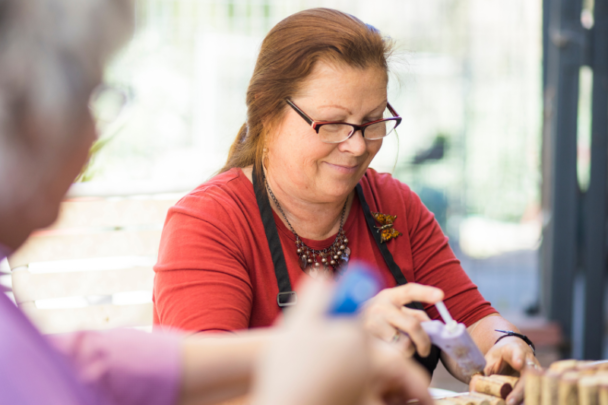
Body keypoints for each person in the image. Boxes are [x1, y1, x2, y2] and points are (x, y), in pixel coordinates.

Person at [0, 1, 433, 404]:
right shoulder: (212, 216)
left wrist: (303, 347)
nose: (94, 135)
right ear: (28, 116)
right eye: (90, 98)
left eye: (372, 122)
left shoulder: (391, 198)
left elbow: (92, 360)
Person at [153, 7, 540, 405]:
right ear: (266, 113)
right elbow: (206, 392)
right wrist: (346, 337)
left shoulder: (394, 206)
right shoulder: (209, 222)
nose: (357, 146)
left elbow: (471, 316)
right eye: (332, 124)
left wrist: (506, 347)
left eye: (373, 122)